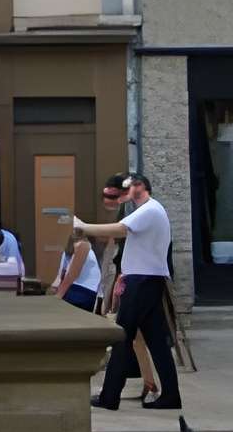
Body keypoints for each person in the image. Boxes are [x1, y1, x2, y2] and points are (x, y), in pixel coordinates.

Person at [77, 175, 181, 411]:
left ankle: (110, 397)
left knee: (121, 338)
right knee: (156, 343)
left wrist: (83, 227)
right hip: (146, 280)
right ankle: (171, 395)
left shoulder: (149, 210)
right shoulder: (150, 210)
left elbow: (120, 229)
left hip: (141, 282)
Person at [93, 173, 161, 400]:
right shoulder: (138, 211)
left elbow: (117, 243)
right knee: (136, 337)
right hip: (131, 276)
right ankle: (149, 384)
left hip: (132, 278)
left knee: (130, 336)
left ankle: (142, 386)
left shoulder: (137, 213)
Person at [50, 224, 101, 313]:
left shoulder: (83, 247)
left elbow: (71, 275)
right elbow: (62, 274)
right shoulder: (75, 250)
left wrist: (58, 295)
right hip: (86, 290)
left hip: (82, 290)